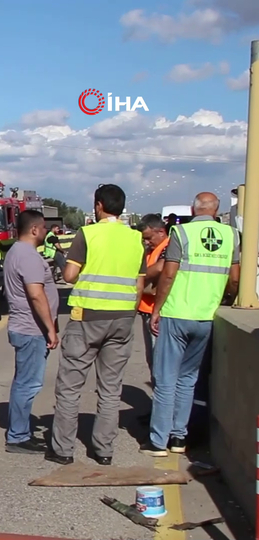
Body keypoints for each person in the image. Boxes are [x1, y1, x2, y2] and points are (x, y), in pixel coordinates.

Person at [48, 184, 146, 466]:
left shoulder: (87, 233)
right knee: (111, 389)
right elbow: (139, 283)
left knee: (70, 387)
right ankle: (104, 450)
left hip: (87, 318)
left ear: (99, 205)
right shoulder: (135, 238)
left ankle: (63, 450)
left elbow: (68, 275)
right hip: (123, 318)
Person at [143, 192, 240, 456]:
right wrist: (225, 299)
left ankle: (158, 441)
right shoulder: (232, 235)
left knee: (165, 379)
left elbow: (169, 273)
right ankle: (178, 438)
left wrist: (158, 309)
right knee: (188, 379)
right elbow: (234, 279)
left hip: (177, 313)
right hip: (206, 316)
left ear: (192, 209)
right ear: (217, 209)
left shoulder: (181, 233)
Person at [3, 210, 59, 454]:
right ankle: (18, 436)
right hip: (31, 329)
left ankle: (20, 431)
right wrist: (51, 329)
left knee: (23, 382)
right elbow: (36, 295)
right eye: (44, 228)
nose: (46, 232)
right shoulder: (28, 256)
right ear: (34, 230)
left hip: (24, 327)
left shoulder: (16, 252)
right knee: (28, 384)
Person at [136, 214, 170, 387]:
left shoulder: (169, 246)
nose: (147, 242)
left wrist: (139, 277)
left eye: (149, 238)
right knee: (151, 360)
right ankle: (156, 407)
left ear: (161, 232)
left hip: (158, 312)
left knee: (159, 362)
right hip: (146, 309)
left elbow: (161, 267)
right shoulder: (151, 250)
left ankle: (160, 409)